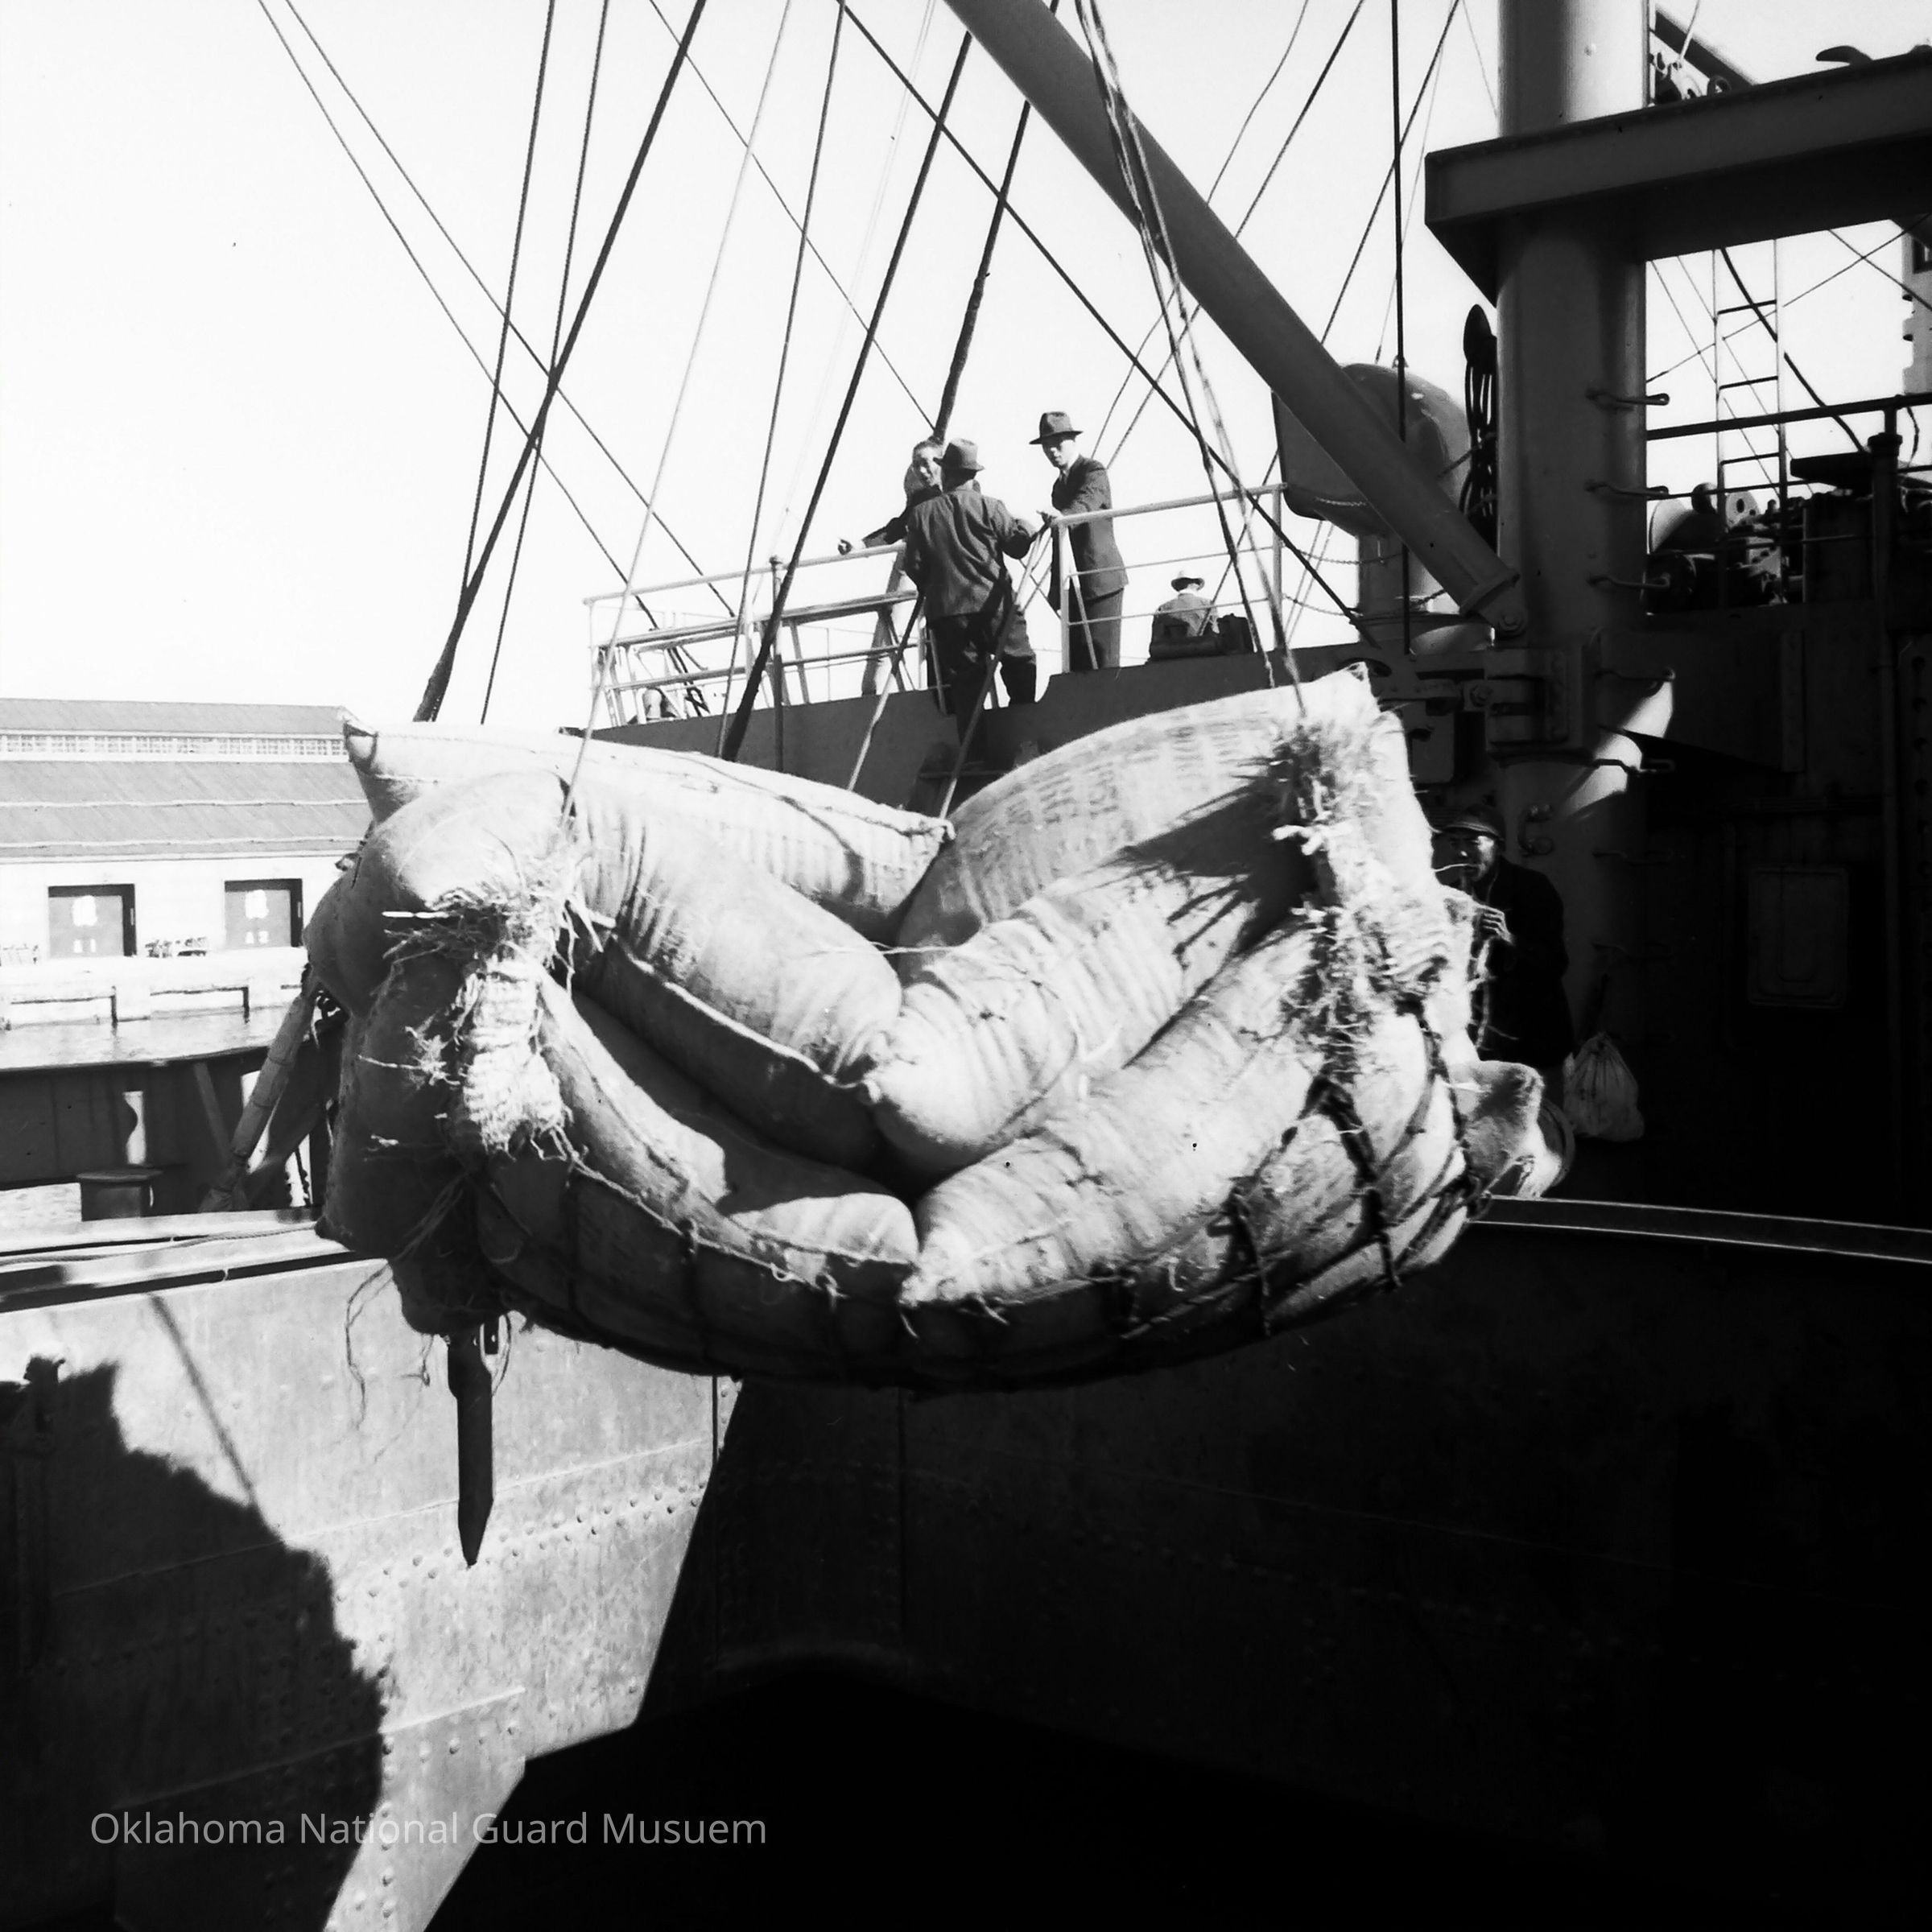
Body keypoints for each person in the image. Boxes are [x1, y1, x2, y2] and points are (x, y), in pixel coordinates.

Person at [1430, 804, 1575, 1083]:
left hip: (1530, 1047)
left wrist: (1509, 938)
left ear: (1498, 846)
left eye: (1473, 842)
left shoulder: (1532, 888)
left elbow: (1556, 963)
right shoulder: (1451, 896)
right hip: (1475, 1047)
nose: (1461, 853)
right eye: (1454, 843)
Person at [897, 438, 1039, 715]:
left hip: (948, 614)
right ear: (972, 475)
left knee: (966, 688)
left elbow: (913, 565)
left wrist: (935, 588)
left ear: (945, 472)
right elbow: (1016, 547)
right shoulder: (991, 507)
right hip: (995, 607)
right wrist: (1027, 527)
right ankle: (1022, 724)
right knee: (1020, 664)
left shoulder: (921, 514)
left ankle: (975, 743)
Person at [1032, 411, 1125, 671]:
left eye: (1057, 443)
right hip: (1073, 585)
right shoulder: (1058, 486)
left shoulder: (1093, 471)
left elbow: (1086, 504)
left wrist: (1062, 517)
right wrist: (1056, 591)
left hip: (1100, 581)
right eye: (1047, 446)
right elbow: (1060, 539)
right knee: (1077, 664)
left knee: (1102, 661)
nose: (1052, 451)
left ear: (1072, 441)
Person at [840, 438, 943, 554]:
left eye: (925, 463)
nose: (921, 471)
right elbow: (895, 530)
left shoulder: (958, 493)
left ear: (940, 462)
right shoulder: (921, 500)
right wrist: (860, 546)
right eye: (916, 465)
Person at [1150, 573, 1213, 650]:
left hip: (1174, 654)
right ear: (1194, 584)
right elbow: (1214, 633)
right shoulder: (1207, 604)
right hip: (1202, 652)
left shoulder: (1163, 608)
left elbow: (1157, 642)